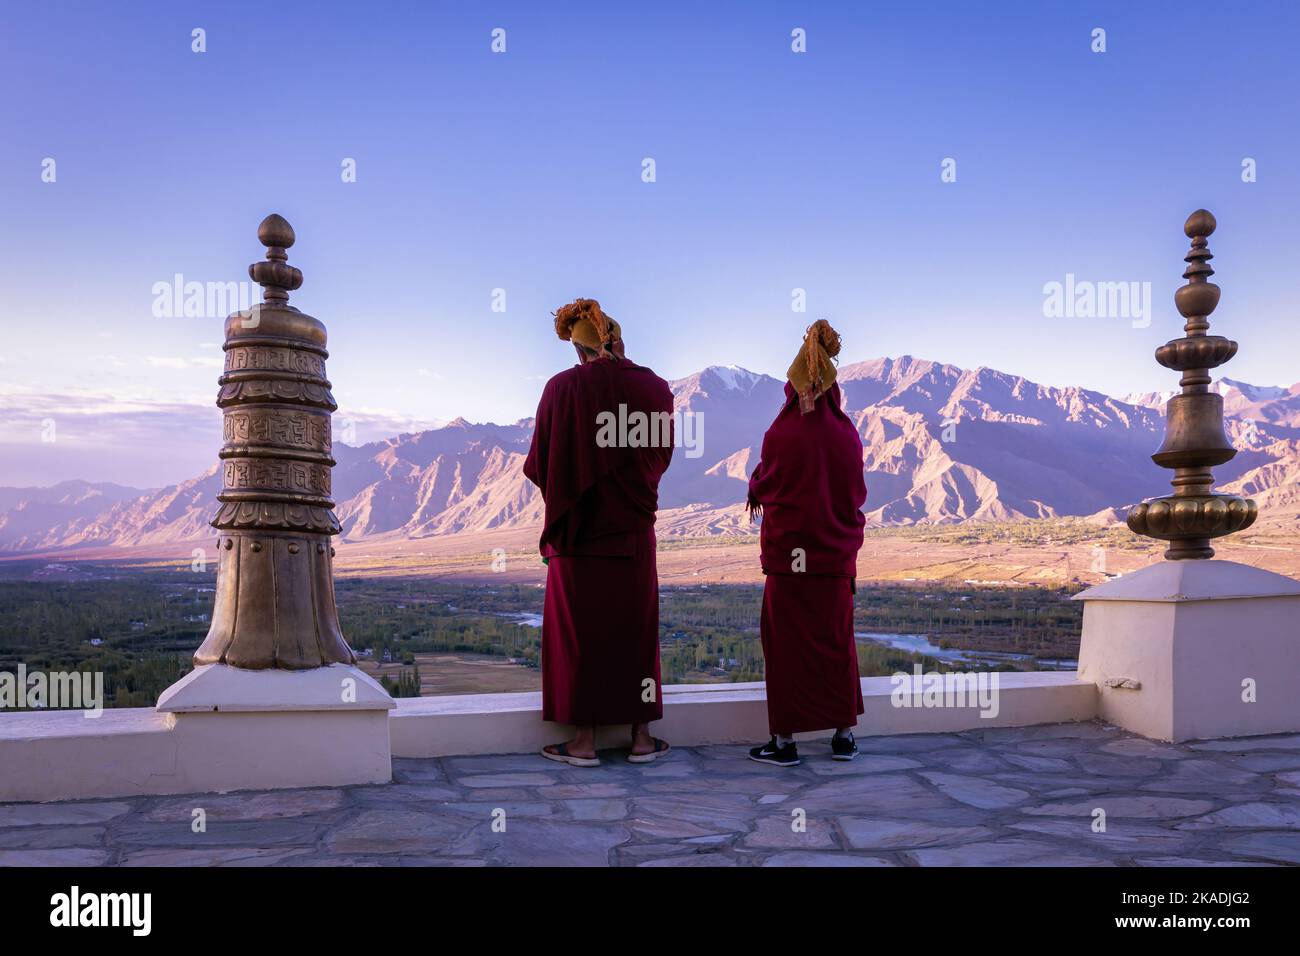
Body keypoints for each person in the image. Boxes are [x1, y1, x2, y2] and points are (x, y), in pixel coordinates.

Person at [524, 298, 674, 767]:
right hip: (632, 534)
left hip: (577, 537)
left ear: (578, 349)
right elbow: (660, 457)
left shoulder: (561, 389)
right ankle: (642, 738)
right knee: (637, 633)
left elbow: (542, 463)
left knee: (579, 637)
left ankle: (584, 742)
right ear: (618, 339)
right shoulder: (655, 389)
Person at [745, 320, 868, 766]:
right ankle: (843, 736)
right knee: (836, 646)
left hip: (788, 564)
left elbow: (768, 484)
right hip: (834, 561)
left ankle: (785, 743)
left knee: (786, 650)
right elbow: (855, 496)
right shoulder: (847, 435)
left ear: (790, 388)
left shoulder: (781, 434)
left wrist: (757, 481)